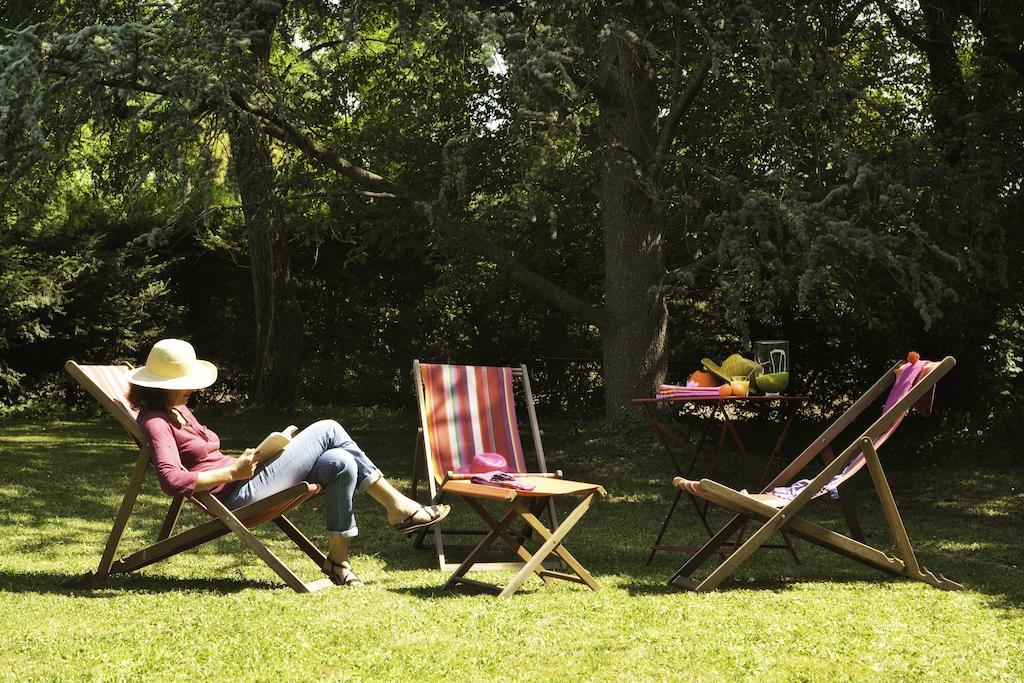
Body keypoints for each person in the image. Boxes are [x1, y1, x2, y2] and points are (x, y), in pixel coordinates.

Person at [126, 338, 449, 587]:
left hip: (244, 479)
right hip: (235, 498)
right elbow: (171, 480)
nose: (193, 388)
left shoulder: (178, 409)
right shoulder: (156, 421)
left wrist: (254, 457)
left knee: (340, 463)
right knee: (329, 429)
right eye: (184, 383)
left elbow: (205, 458)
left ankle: (338, 562)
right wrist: (232, 471)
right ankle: (398, 507)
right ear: (160, 386)